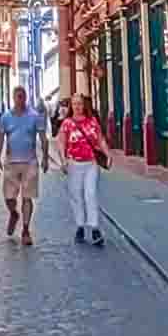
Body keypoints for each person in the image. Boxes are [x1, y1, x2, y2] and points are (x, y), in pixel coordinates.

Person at [0, 85, 50, 245]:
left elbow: (43, 138)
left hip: (30, 162)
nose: (20, 99)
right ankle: (13, 213)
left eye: (22, 96)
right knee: (9, 197)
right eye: (17, 96)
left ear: (26, 98)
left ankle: (26, 230)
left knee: (27, 197)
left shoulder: (34, 116)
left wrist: (45, 158)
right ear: (13, 98)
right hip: (11, 162)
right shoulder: (6, 117)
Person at [58, 92, 109, 247]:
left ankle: (94, 228)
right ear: (71, 106)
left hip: (91, 164)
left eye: (80, 104)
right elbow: (61, 142)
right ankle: (80, 226)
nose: (78, 107)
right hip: (74, 164)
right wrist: (63, 160)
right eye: (74, 104)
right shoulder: (67, 123)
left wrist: (108, 154)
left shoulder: (92, 121)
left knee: (90, 194)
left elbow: (100, 139)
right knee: (76, 196)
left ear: (84, 105)